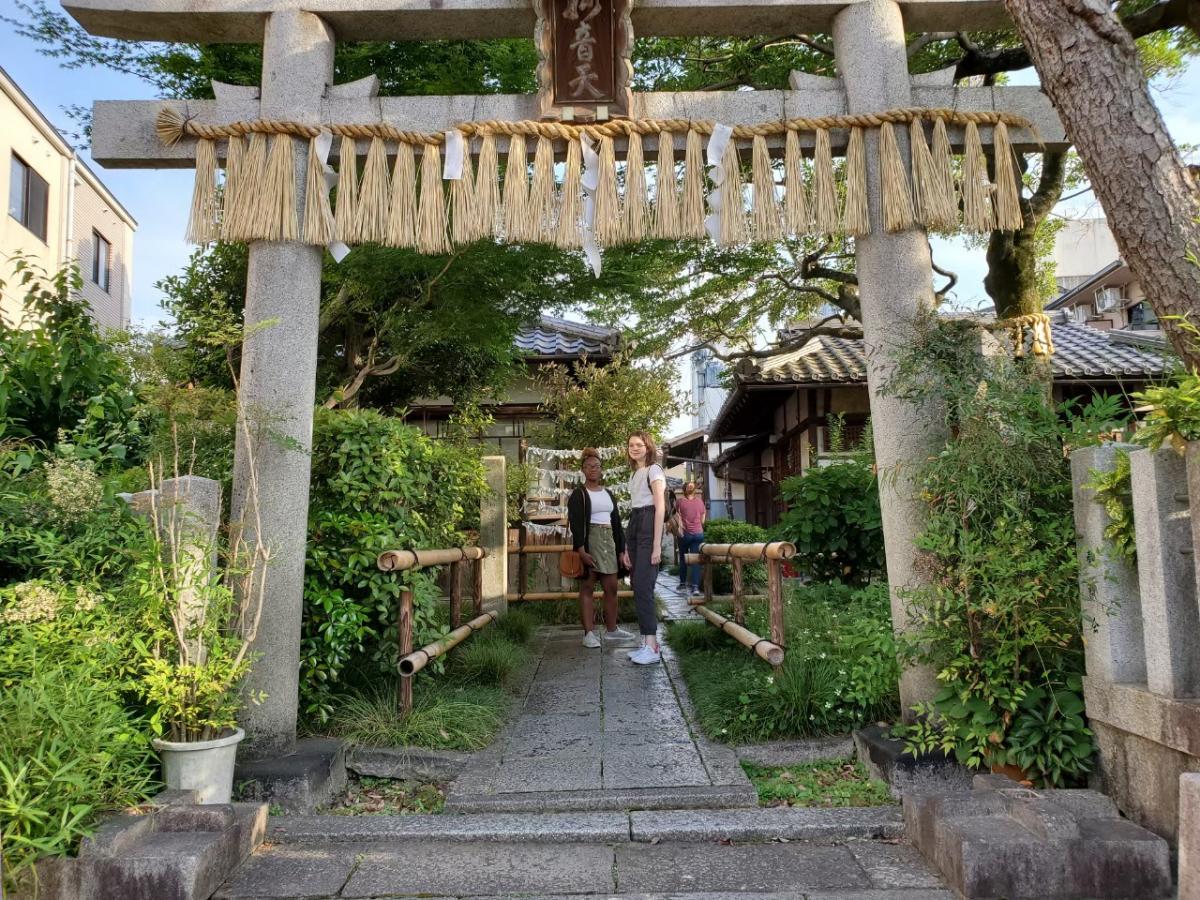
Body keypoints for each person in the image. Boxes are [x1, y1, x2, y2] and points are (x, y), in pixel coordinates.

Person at [566, 449, 633, 648]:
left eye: (596, 466)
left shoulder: (609, 494)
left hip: (609, 541)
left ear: (601, 470)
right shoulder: (579, 494)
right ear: (583, 470)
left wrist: (621, 550)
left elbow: (617, 523)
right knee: (588, 586)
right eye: (588, 467)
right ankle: (588, 634)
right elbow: (576, 523)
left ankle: (612, 630)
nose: (593, 469)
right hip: (590, 541)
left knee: (611, 587)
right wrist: (581, 550)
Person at [620, 431, 666, 665]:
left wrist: (657, 544)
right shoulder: (635, 474)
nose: (635, 448)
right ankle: (647, 642)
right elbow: (635, 510)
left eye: (639, 444)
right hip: (636, 522)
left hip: (649, 524)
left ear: (648, 447)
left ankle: (653, 647)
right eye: (631, 445)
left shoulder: (654, 471)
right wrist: (628, 549)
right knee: (637, 585)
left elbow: (660, 508)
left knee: (644, 586)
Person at [675, 481, 707, 596]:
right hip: (698, 534)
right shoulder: (700, 502)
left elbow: (677, 516)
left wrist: (680, 528)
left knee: (683, 559)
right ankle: (695, 588)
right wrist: (699, 525)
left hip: (685, 534)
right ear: (694, 491)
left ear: (684, 490)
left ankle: (683, 584)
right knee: (695, 561)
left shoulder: (680, 502)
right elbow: (703, 517)